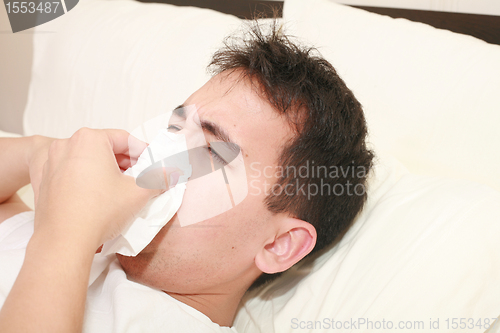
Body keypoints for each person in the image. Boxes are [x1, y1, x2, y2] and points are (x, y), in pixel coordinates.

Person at [0, 22, 373, 332]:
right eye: (175, 127)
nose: (162, 154)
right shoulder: (70, 231)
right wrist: (44, 153)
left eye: (212, 151)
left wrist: (67, 233)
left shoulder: (66, 236)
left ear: (279, 245)